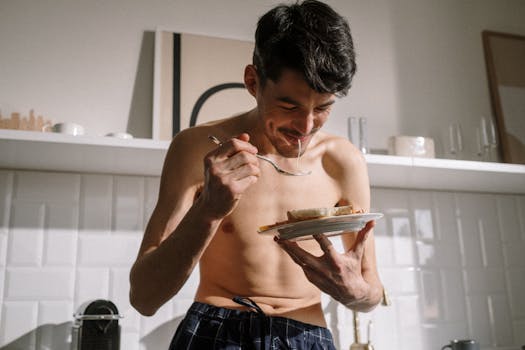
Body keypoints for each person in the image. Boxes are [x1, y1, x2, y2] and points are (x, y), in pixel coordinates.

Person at [130, 0, 383, 348]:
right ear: (253, 81)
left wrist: (355, 293)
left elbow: (371, 292)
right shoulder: (197, 148)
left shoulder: (343, 161)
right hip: (215, 332)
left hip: (308, 335)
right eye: (289, 105)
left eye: (323, 108)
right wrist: (208, 212)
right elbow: (144, 298)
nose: (305, 127)